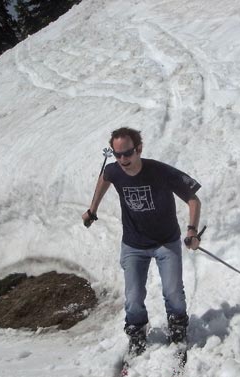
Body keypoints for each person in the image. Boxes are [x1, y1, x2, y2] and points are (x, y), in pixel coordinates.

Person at [82, 127, 202, 356]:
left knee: (173, 291)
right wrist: (92, 209)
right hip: (133, 245)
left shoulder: (160, 172)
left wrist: (192, 231)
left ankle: (177, 325)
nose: (123, 160)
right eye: (117, 155)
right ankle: (136, 331)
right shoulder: (114, 170)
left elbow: (193, 200)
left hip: (166, 242)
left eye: (127, 153)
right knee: (134, 296)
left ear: (139, 149)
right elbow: (105, 177)